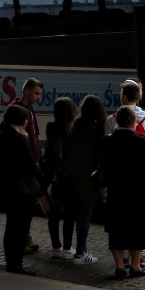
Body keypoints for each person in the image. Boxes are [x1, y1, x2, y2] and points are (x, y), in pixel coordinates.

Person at [102, 106, 145, 279]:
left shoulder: (108, 141)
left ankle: (120, 266)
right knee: (138, 227)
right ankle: (135, 265)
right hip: (137, 191)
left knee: (116, 228)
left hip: (115, 190)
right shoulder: (140, 141)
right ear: (133, 123)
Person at [0, 105, 46, 276]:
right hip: (23, 189)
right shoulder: (20, 138)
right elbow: (31, 167)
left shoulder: (1, 135)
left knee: (11, 227)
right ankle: (17, 264)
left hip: (7, 186)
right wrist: (39, 166)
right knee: (21, 227)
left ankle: (11, 262)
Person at [63, 94, 106, 265]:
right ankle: (81, 251)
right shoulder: (96, 130)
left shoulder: (74, 126)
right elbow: (99, 158)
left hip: (72, 177)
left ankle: (68, 248)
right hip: (88, 180)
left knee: (71, 215)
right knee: (84, 218)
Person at [7, 78, 44, 254]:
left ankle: (26, 238)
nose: (38, 97)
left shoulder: (30, 110)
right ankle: (21, 241)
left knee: (29, 208)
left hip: (32, 161)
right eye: (36, 93)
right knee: (21, 210)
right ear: (27, 91)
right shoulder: (17, 110)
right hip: (24, 167)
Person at [41, 96, 77, 260]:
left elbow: (49, 152)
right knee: (70, 214)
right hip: (70, 176)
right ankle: (68, 246)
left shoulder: (51, 127)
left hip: (55, 177)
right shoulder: (74, 128)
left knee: (54, 213)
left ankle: (56, 246)